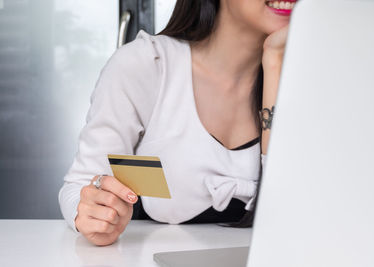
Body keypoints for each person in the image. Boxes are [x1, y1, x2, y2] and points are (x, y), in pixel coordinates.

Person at [58, 0, 294, 246]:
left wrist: (275, 61)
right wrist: (91, 214)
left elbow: (293, 212)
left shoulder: (309, 80)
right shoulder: (149, 64)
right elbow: (80, 186)